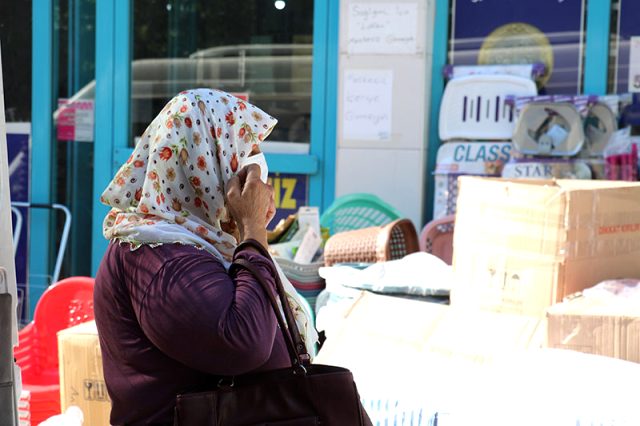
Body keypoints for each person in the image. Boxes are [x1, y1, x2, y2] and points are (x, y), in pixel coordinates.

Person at [94, 89, 318, 425]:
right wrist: (252, 227)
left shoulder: (200, 242)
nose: (257, 171)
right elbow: (242, 342)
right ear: (204, 162)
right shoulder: (159, 255)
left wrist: (247, 234)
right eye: (246, 152)